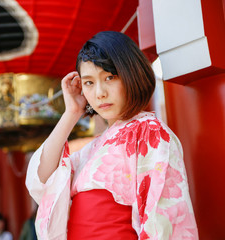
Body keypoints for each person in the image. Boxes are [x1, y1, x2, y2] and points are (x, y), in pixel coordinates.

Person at [25, 31, 198, 239]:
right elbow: (42, 178)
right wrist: (71, 113)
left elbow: (164, 219)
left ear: (132, 74)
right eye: (89, 82)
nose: (99, 93)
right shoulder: (94, 147)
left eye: (109, 77)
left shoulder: (149, 132)